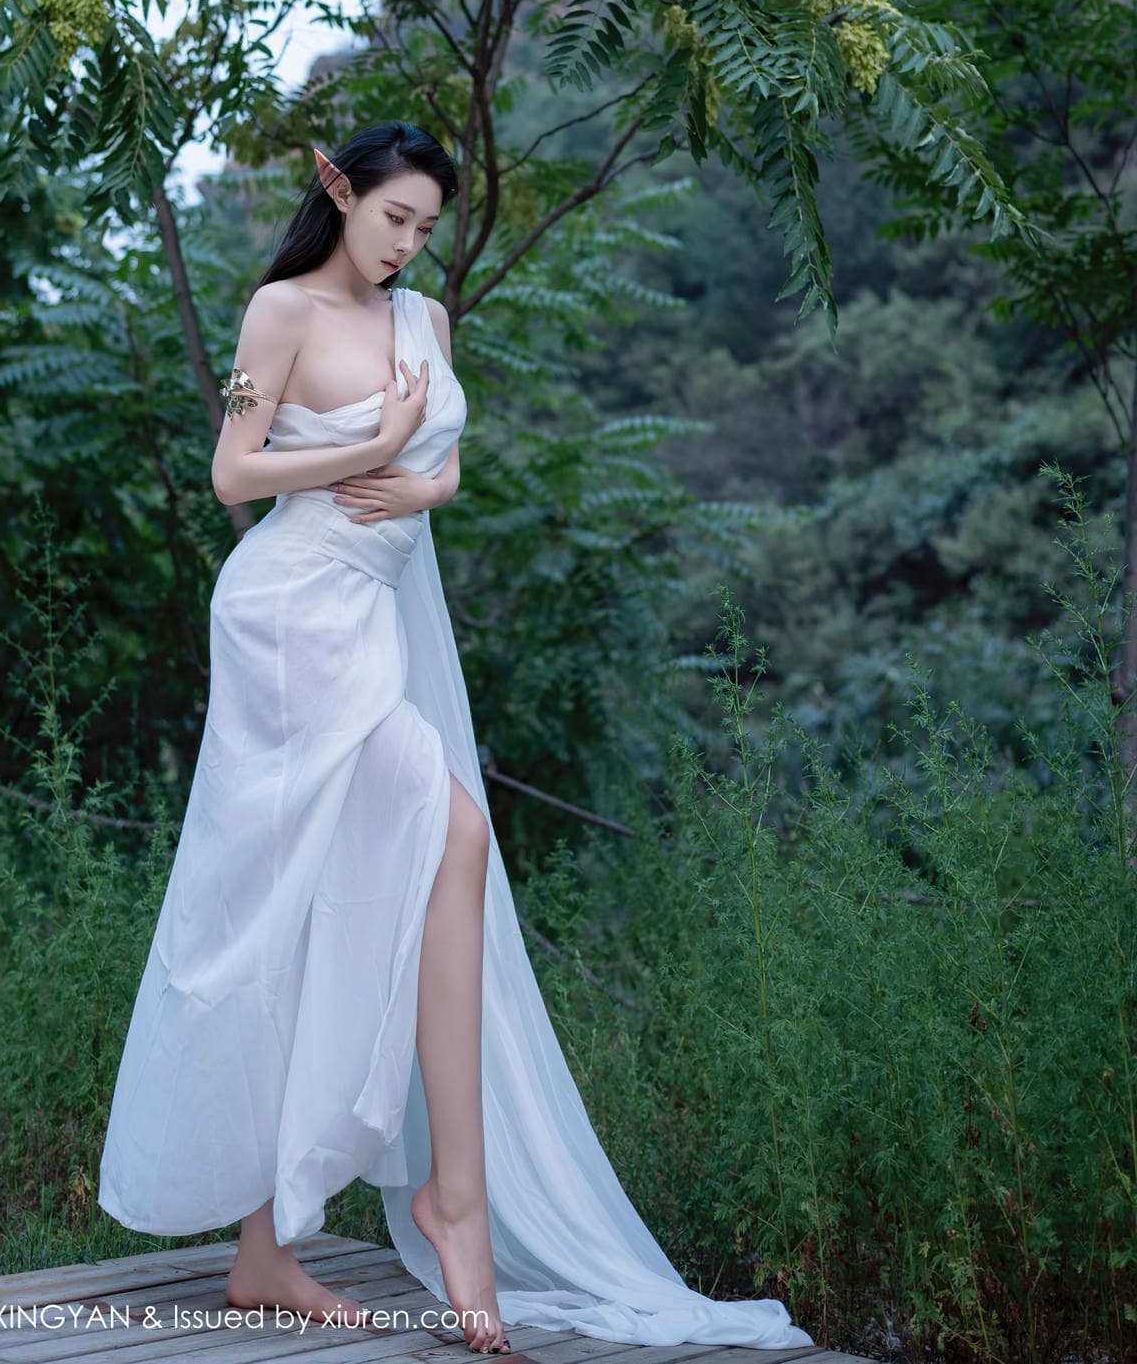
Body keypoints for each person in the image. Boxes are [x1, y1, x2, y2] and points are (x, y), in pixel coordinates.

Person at [97, 121, 813, 1356]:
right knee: (408, 851)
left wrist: (418, 478)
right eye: (394, 219)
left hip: (366, 614)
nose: (408, 245)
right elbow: (233, 473)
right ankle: (446, 1205)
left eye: (426, 228)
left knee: (363, 883)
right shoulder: (280, 312)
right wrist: (373, 447)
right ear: (340, 192)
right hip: (288, 621)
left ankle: (284, 1246)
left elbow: (447, 469)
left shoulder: (424, 318)